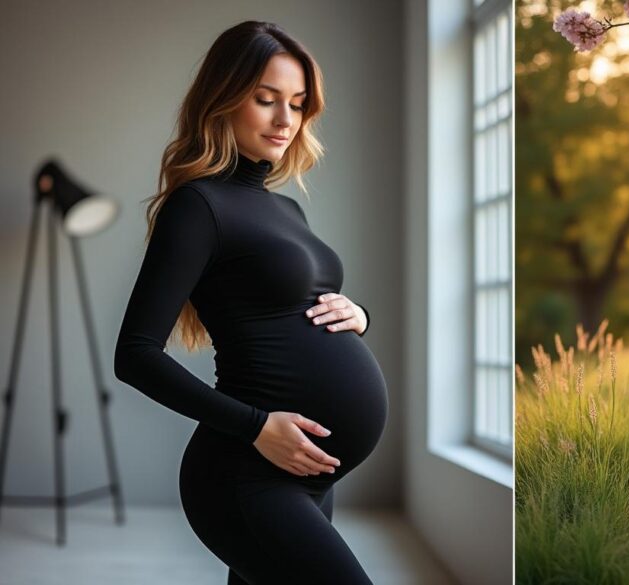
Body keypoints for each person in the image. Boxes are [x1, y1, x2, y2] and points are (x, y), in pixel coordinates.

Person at [113, 21, 387, 584]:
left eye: (297, 103)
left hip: (308, 473)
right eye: (266, 100)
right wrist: (258, 426)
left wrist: (359, 316)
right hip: (248, 472)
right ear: (224, 98)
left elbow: (294, 307)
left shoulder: (286, 210)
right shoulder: (197, 206)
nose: (285, 120)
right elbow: (135, 354)